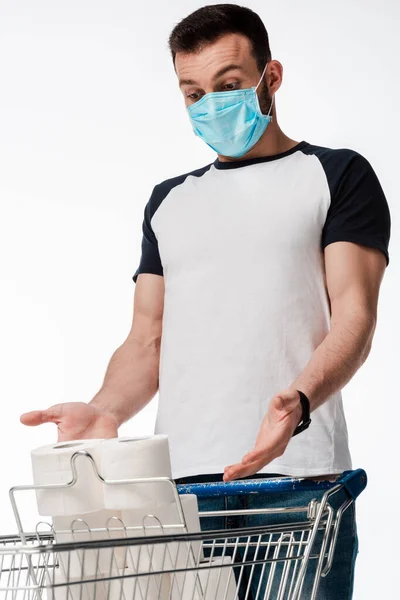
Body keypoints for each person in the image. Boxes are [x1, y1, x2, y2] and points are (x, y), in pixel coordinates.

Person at [20, 4, 390, 598]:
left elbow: (355, 319)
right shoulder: (169, 202)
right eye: (192, 92)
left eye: (229, 86)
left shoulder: (336, 175)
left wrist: (297, 405)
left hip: (298, 482)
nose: (209, 105)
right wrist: (106, 410)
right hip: (182, 492)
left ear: (271, 77)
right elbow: (148, 338)